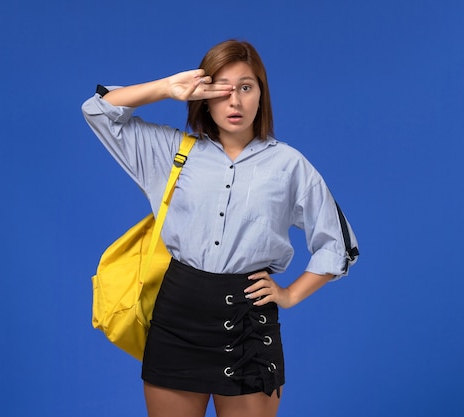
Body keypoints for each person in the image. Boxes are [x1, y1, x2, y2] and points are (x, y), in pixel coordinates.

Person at [82, 39, 358, 417]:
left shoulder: (290, 166)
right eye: (221, 89)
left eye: (246, 87)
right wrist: (167, 88)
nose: (235, 101)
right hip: (177, 320)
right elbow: (98, 111)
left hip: (249, 324)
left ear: (261, 94)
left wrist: (290, 295)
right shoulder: (172, 153)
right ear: (204, 97)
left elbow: (337, 244)